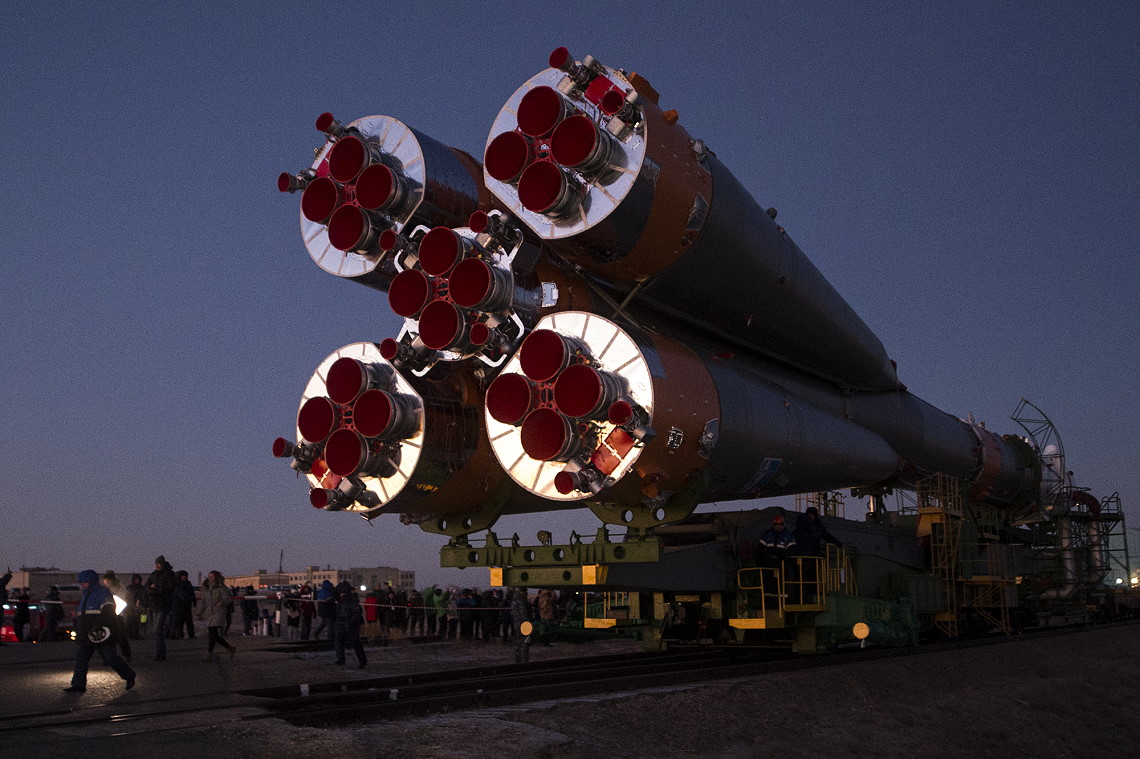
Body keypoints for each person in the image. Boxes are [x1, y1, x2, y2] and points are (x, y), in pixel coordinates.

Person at [63, 570, 135, 693]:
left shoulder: (103, 592)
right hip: (86, 633)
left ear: (92, 582)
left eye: (85, 583)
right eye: (81, 583)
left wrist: (98, 625)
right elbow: (82, 614)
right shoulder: (85, 595)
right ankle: (78, 685)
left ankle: (129, 675)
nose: (83, 585)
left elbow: (108, 610)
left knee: (110, 658)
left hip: (101, 633)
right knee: (81, 659)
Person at [197, 570, 236, 661]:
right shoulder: (206, 589)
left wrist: (222, 602)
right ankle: (229, 647)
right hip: (209, 614)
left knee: (212, 632)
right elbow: (203, 603)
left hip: (219, 612)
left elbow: (228, 599)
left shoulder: (221, 587)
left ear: (216, 577)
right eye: (209, 577)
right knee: (214, 635)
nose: (210, 579)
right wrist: (199, 613)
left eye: (212, 577)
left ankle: (209, 654)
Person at [144, 556, 176, 660]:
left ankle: (160, 653)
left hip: (164, 604)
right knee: (156, 629)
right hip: (154, 605)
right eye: (156, 564)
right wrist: (150, 588)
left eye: (159, 564)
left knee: (158, 628)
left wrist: (156, 588)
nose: (157, 565)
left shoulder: (169, 574)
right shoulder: (153, 574)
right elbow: (146, 586)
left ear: (163, 564)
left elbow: (170, 588)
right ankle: (160, 651)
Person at [333, 581, 366, 668]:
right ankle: (341, 659)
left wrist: (349, 623)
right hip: (342, 623)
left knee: (355, 643)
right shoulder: (341, 601)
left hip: (350, 625)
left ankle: (362, 661)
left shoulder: (352, 601)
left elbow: (357, 613)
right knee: (339, 642)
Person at [100, 572, 131, 662]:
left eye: (107, 580)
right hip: (107, 615)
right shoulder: (104, 589)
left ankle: (126, 655)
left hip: (116, 615)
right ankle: (109, 657)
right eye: (105, 580)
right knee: (107, 636)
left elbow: (123, 599)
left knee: (120, 635)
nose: (105, 581)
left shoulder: (118, 588)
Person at [508, 587, 534, 663]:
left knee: (517, 643)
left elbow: (512, 613)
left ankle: (518, 661)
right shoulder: (521, 599)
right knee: (524, 643)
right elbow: (524, 613)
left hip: (517, 623)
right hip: (524, 624)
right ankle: (523, 661)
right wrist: (530, 621)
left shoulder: (514, 599)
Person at [170, 570, 197, 639]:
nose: (184, 577)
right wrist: (191, 598)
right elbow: (182, 596)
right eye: (183, 575)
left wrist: (194, 600)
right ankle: (178, 635)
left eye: (185, 575)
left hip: (185, 605)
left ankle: (190, 635)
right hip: (178, 606)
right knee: (179, 621)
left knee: (188, 621)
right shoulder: (177, 584)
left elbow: (192, 593)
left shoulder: (187, 583)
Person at [123, 574, 145, 640]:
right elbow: (126, 596)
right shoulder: (129, 587)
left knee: (137, 621)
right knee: (129, 621)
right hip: (129, 606)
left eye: (138, 579)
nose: (137, 580)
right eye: (136, 579)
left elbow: (143, 596)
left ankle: (136, 635)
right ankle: (129, 635)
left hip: (138, 607)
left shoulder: (141, 587)